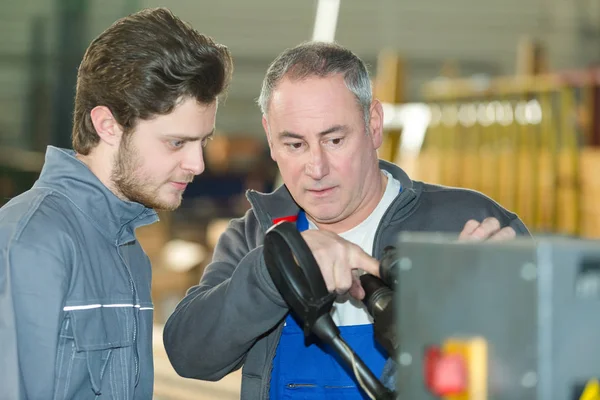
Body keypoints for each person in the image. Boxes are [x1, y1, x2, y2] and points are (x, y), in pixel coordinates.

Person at [162, 41, 529, 399]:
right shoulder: (257, 236)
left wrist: (489, 308)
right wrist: (274, 273)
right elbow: (190, 355)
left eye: (334, 140)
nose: (316, 168)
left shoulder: (464, 223)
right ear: (270, 140)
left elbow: (555, 359)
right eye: (294, 145)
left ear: (373, 125)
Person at [0, 7, 232, 400]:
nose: (197, 164)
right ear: (108, 125)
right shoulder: (30, 242)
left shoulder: (127, 252)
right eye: (176, 142)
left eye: (202, 141)